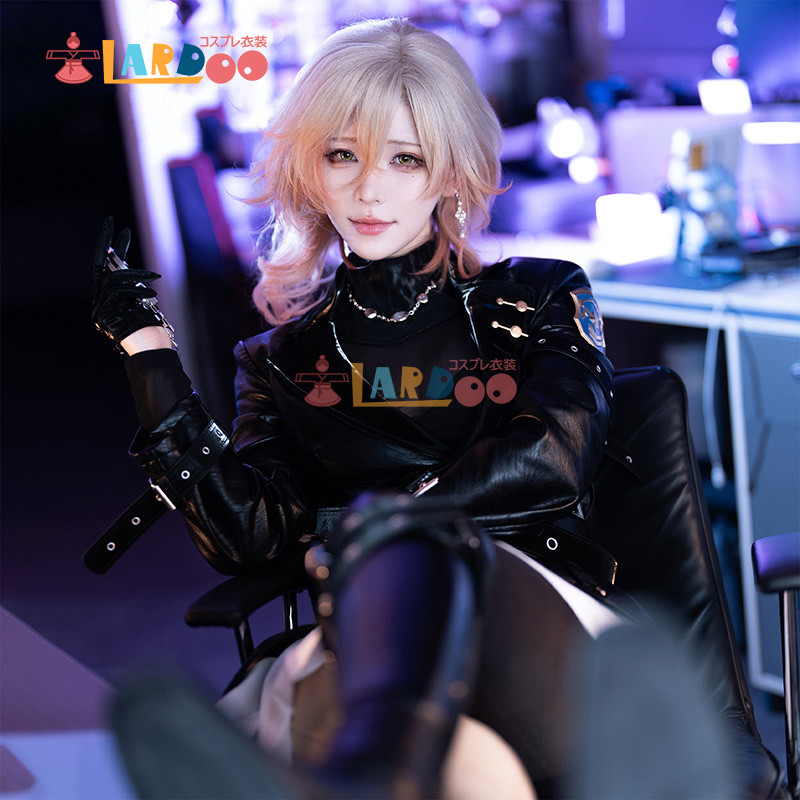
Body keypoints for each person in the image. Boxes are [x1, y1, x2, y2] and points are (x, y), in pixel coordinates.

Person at [89, 17, 664, 799]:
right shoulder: (279, 359)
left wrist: (375, 525)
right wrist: (150, 354)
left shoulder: (540, 297)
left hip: (536, 599)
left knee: (404, 626)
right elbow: (249, 533)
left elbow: (551, 458)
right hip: (364, 625)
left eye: (405, 158)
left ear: (451, 169)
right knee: (409, 718)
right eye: (342, 155)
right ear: (309, 167)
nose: (368, 189)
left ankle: (361, 770)